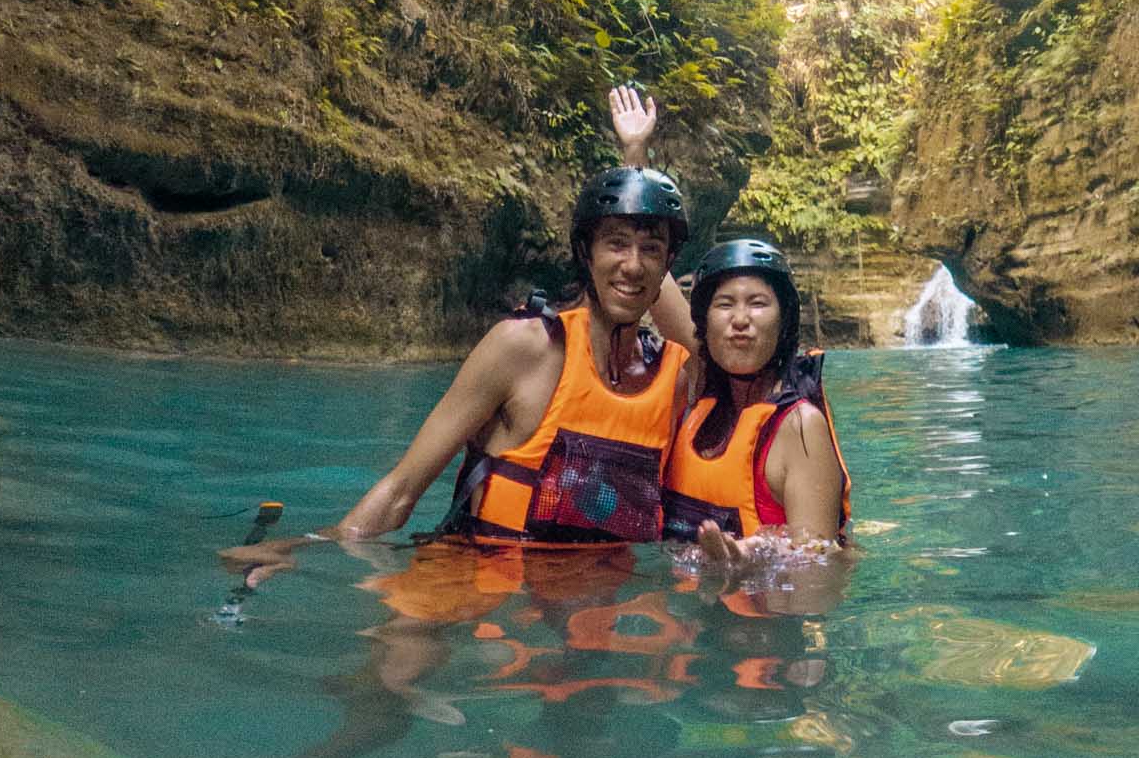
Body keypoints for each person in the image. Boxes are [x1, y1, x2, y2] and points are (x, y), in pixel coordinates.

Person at [220, 161, 693, 579]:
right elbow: (403, 489)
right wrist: (304, 546)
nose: (632, 265)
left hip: (596, 594)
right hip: (474, 568)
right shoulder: (521, 348)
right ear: (586, 253)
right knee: (396, 666)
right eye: (615, 244)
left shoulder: (674, 379)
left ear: (668, 265)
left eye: (651, 250)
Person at [609, 87, 850, 568]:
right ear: (705, 324)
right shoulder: (699, 391)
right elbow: (653, 284)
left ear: (783, 323)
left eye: (758, 304)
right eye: (725, 305)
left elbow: (818, 578)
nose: (740, 319)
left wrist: (754, 559)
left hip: (762, 630)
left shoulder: (799, 427)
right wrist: (635, 155)